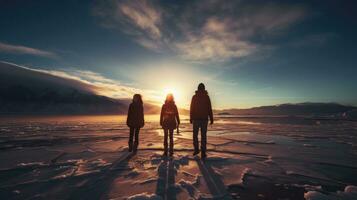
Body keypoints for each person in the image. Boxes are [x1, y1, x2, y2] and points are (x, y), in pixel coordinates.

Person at [190, 83, 213, 159]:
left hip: (198, 119)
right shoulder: (205, 97)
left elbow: (191, 108)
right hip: (202, 119)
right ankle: (202, 151)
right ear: (203, 88)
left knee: (195, 135)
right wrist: (211, 118)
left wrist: (191, 117)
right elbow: (209, 108)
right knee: (203, 136)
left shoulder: (196, 97)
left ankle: (197, 150)